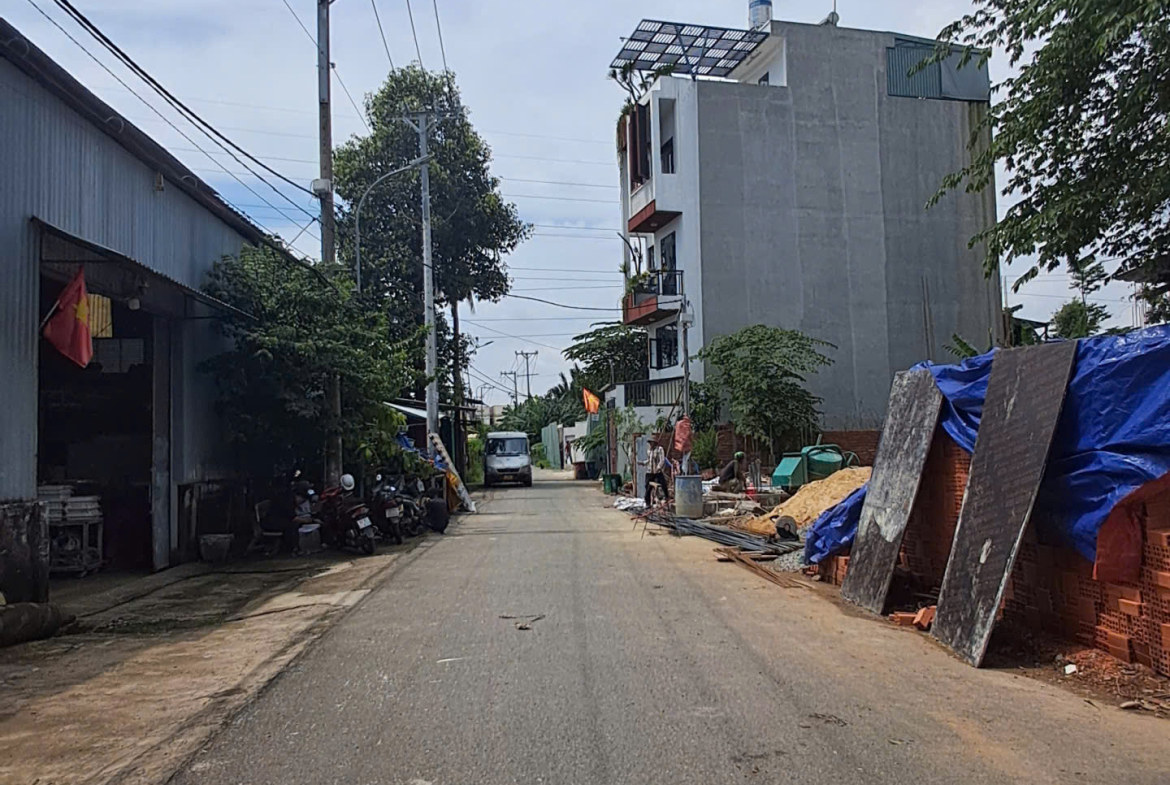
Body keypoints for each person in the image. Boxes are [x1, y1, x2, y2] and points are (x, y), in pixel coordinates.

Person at [640, 436, 669, 507]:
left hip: (657, 472)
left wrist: (658, 467)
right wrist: (643, 463)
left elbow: (662, 460)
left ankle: (666, 498)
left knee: (663, 485)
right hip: (650, 472)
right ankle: (648, 503)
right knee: (647, 487)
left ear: (654, 443)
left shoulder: (659, 449)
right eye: (650, 443)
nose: (650, 444)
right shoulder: (649, 450)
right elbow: (649, 460)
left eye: (651, 443)